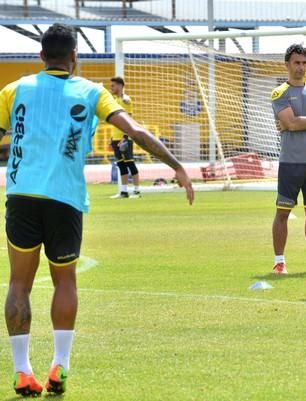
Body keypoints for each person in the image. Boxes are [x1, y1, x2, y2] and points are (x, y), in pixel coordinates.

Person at [0, 23, 194, 397]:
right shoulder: (92, 92)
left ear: (41, 56)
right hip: (65, 199)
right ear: (75, 56)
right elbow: (134, 130)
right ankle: (61, 364)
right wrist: (177, 166)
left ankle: (23, 371)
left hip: (22, 196)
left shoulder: (15, 89)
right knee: (65, 281)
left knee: (19, 283)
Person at [270, 44, 306, 274]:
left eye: (304, 63)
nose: (300, 67)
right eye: (296, 62)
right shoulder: (279, 93)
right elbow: (291, 123)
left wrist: (294, 124)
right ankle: (279, 261)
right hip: (289, 163)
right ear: (287, 64)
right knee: (282, 212)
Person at [108, 76, 140, 198]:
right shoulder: (114, 100)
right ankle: (124, 191)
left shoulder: (126, 100)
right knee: (121, 164)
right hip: (115, 137)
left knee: (130, 163)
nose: (111, 88)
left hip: (124, 137)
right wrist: (111, 138)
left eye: (113, 85)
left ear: (120, 86)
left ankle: (137, 191)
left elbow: (129, 119)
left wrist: (126, 136)